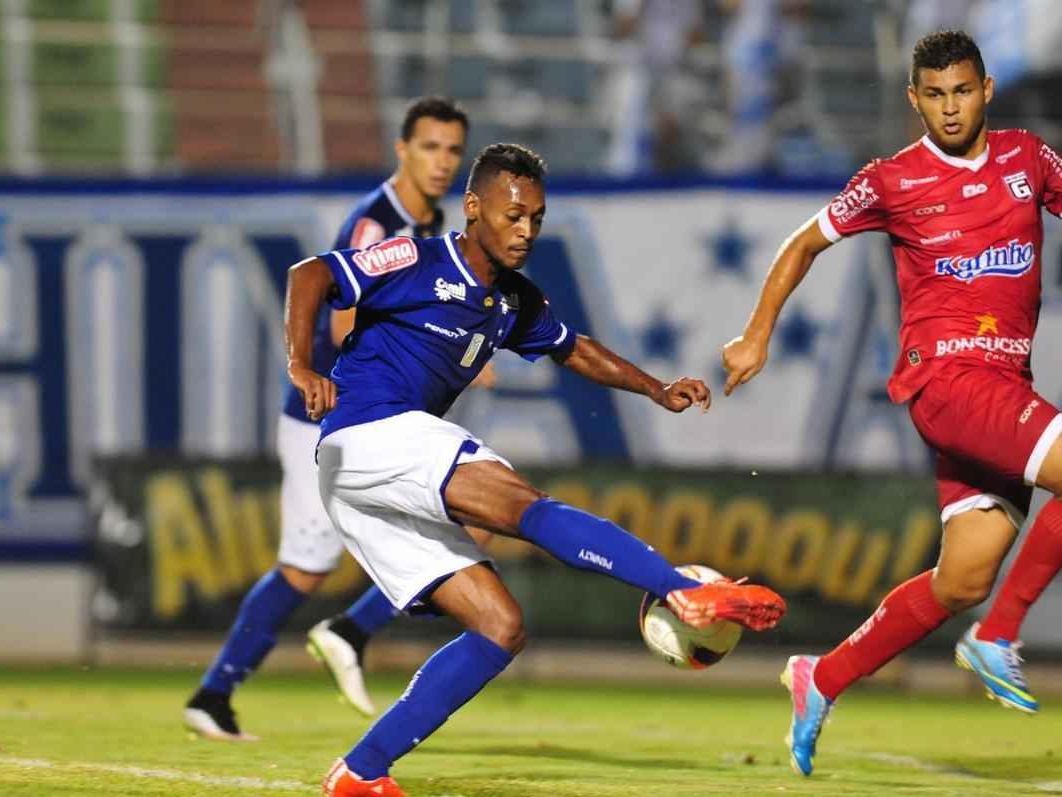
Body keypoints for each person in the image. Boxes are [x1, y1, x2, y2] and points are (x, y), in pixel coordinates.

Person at [287, 142, 787, 796]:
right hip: (368, 431)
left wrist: (655, 387)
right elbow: (311, 274)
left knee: (500, 626)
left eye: (536, 219)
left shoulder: (512, 301)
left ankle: (361, 768)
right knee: (522, 503)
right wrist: (301, 362)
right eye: (511, 215)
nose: (524, 232)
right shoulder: (417, 257)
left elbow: (573, 348)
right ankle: (677, 587)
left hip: (366, 475)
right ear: (473, 208)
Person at [721, 30, 1062, 777]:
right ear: (914, 100)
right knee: (995, 590)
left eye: (962, 91)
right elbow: (803, 242)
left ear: (987, 89)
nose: (949, 108)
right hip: (946, 383)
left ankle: (824, 676)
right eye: (934, 95)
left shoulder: (1029, 160)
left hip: (1006, 388)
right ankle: (998, 634)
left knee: (963, 577)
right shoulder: (891, 180)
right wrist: (755, 335)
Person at [183, 96, 489, 739]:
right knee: (309, 566)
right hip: (333, 421)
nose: (442, 162)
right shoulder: (377, 225)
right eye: (430, 147)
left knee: (461, 525)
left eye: (453, 150)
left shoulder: (427, 221)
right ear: (402, 149)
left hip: (370, 419)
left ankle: (260, 673)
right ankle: (292, 657)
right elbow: (344, 320)